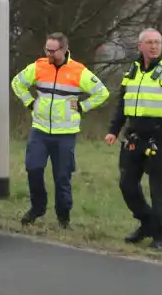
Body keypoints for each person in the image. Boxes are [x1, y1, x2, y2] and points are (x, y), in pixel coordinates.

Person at [105, 28, 162, 252]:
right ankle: (146, 222)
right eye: (150, 43)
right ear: (140, 46)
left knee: (157, 187)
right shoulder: (131, 71)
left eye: (157, 43)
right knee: (127, 183)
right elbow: (122, 104)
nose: (154, 46)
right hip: (135, 135)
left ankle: (160, 236)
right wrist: (114, 130)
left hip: (161, 137)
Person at [11, 32, 110, 228]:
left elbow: (102, 92)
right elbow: (17, 83)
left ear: (64, 50)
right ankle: (38, 207)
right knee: (34, 168)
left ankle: (63, 217)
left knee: (62, 176)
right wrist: (30, 102)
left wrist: (83, 107)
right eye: (46, 49)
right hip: (39, 130)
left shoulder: (78, 71)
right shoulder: (38, 66)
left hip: (65, 133)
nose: (49, 54)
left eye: (53, 50)